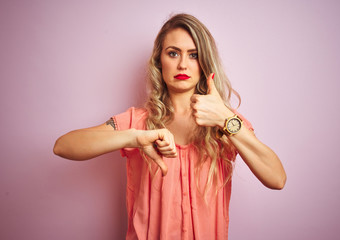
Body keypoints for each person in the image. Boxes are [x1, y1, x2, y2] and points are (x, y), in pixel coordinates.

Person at [53, 13, 286, 240]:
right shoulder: (138, 121)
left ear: (205, 62)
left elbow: (277, 179)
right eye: (173, 53)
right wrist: (133, 138)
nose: (183, 64)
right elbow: (63, 146)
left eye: (193, 55)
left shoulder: (227, 122)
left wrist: (225, 118)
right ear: (159, 61)